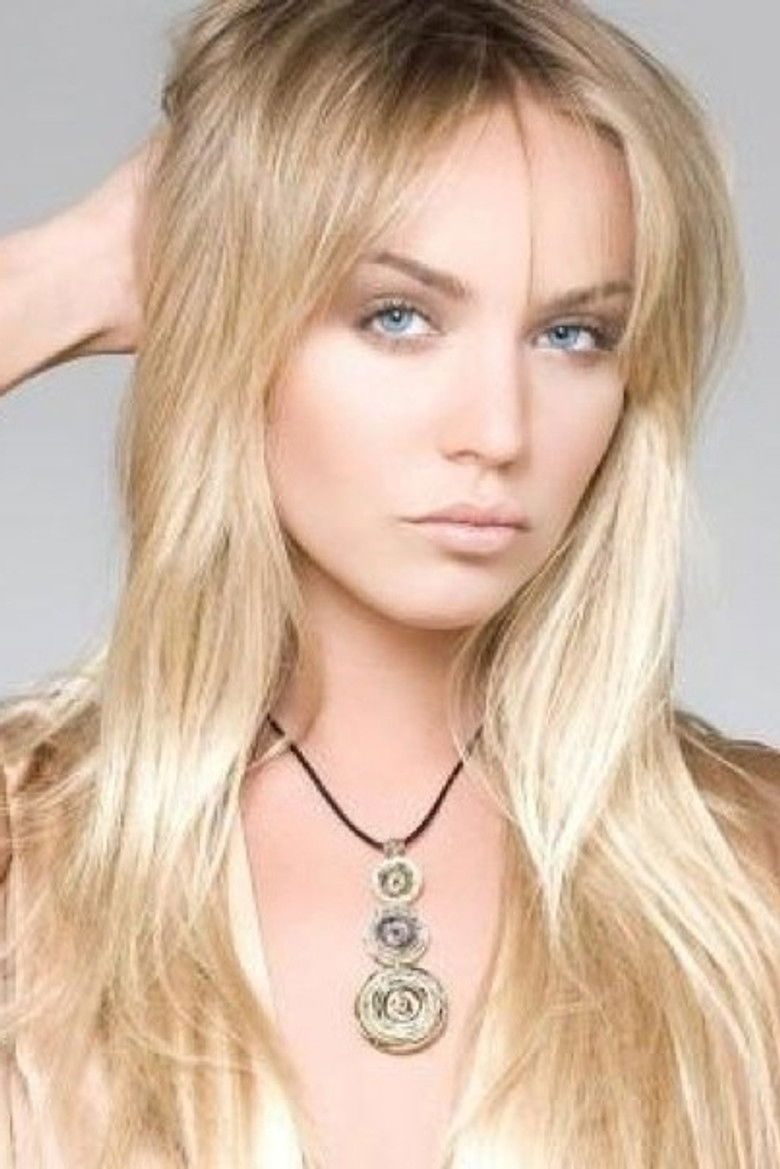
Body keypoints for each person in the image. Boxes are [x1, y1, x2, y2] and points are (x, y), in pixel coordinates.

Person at [1, 1, 779, 1166]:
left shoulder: (752, 867)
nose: (498, 431)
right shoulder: (26, 852)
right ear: (236, 332)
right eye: (399, 316)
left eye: (572, 334)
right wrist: (58, 278)